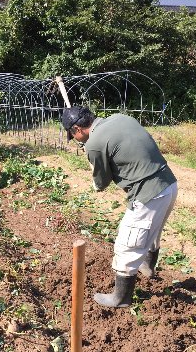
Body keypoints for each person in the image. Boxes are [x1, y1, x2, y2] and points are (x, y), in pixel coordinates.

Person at [62, 106, 178, 308]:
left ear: (77, 130)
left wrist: (93, 160)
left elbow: (101, 183)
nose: (77, 140)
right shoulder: (119, 118)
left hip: (148, 194)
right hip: (168, 183)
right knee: (153, 230)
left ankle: (121, 298)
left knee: (127, 244)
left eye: (74, 136)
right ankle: (147, 266)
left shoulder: (94, 145)